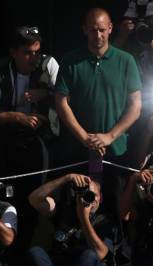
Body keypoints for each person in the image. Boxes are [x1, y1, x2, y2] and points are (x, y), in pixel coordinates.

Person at [0, 26, 58, 252]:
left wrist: (46, 94)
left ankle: (29, 253)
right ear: (13, 52)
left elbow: (66, 94)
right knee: (5, 195)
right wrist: (17, 117)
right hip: (3, 144)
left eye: (37, 52)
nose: (34, 58)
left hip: (38, 143)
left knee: (34, 198)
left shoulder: (47, 65)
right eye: (27, 53)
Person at [54, 8, 142, 165]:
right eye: (93, 30)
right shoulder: (70, 60)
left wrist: (109, 136)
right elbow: (61, 103)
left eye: (102, 30)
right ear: (85, 30)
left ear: (110, 28)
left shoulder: (126, 61)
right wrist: (85, 138)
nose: (98, 35)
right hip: (78, 150)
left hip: (116, 150)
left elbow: (135, 106)